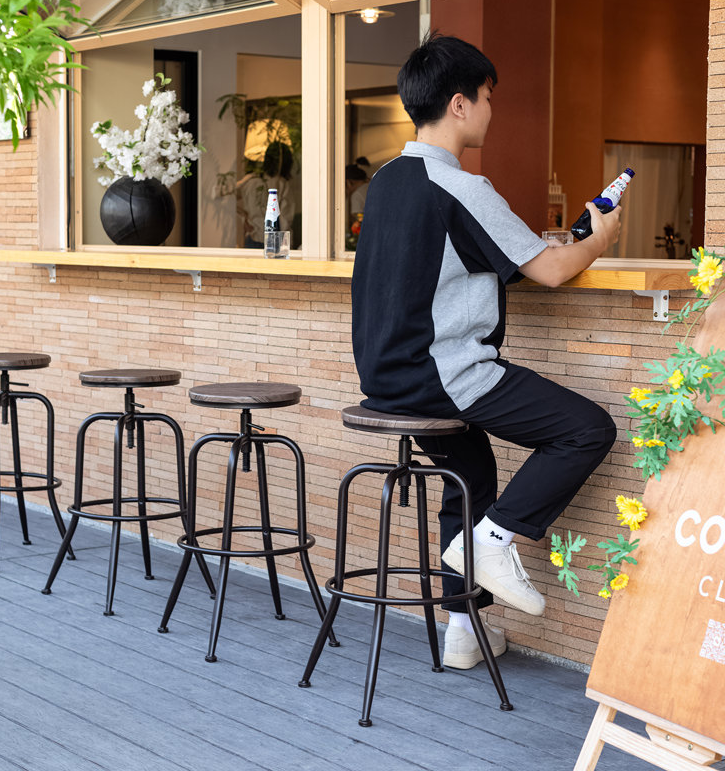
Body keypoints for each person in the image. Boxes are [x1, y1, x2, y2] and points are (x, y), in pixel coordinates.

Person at [351, 34, 621, 671]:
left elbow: (490, 257)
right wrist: (600, 238)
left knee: (468, 481)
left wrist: (553, 247)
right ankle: (495, 541)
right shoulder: (459, 187)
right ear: (460, 104)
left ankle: (464, 630)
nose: (493, 110)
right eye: (489, 97)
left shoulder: (386, 182)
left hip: (385, 379)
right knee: (588, 429)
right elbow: (552, 270)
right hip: (443, 375)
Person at [236, 140, 295, 249]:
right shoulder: (282, 184)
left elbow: (233, 200)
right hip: (276, 242)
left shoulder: (250, 181)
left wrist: (245, 218)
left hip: (252, 240)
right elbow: (285, 220)